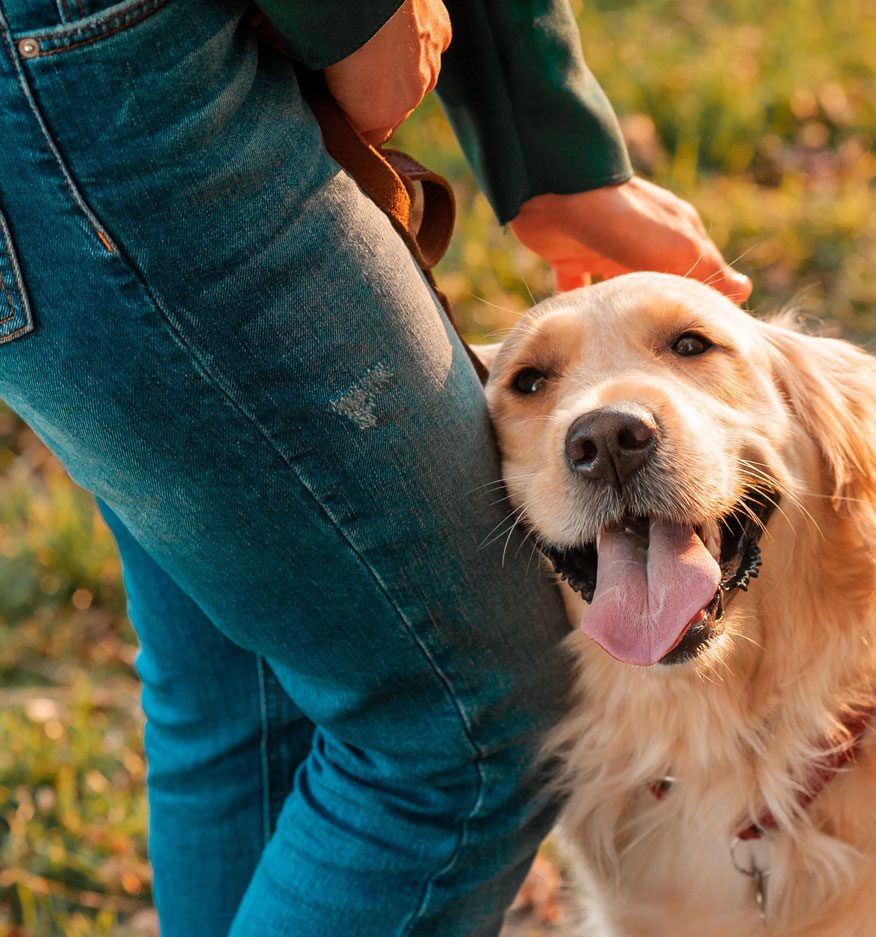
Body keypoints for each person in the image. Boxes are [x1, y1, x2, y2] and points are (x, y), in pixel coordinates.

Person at [0, 0, 749, 933]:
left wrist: (546, 136)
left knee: (252, 679)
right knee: (464, 723)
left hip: (79, 80)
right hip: (99, 82)